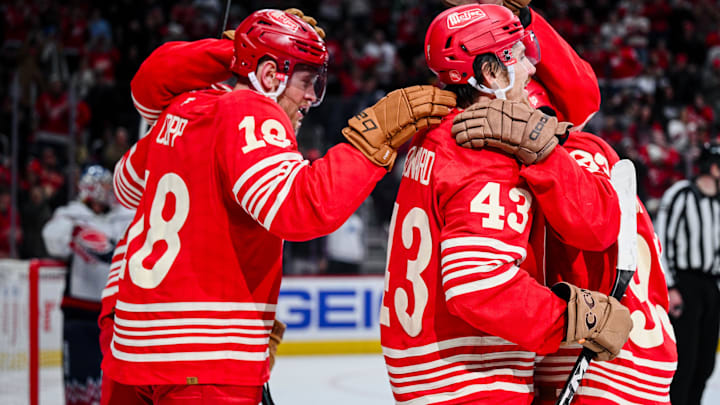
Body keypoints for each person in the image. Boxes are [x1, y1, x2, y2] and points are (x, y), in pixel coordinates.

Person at [101, 8, 456, 404]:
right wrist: (372, 142)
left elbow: (126, 186)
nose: (310, 98)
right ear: (270, 75)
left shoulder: (181, 110)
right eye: (308, 82)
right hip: (206, 357)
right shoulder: (250, 110)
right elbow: (301, 208)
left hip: (133, 347)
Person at [379, 4, 632, 404]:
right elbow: (478, 285)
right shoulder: (485, 150)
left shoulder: (430, 136)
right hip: (472, 374)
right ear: (490, 72)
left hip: (426, 369)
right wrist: (570, 318)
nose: (531, 67)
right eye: (516, 54)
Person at [448, 1, 678, 403]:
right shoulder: (582, 150)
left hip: (609, 359)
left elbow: (593, 225)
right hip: (622, 351)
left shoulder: (575, 152)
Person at [41, 165, 133, 405]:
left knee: (110, 383)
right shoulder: (70, 214)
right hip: (78, 315)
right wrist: (75, 233)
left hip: (114, 315)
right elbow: (52, 240)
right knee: (79, 381)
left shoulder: (122, 215)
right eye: (102, 186)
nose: (107, 191)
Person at [655, 142, 720, 405]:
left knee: (706, 364)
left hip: (711, 286)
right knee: (685, 361)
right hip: (684, 284)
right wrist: (670, 286)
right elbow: (661, 241)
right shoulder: (681, 194)